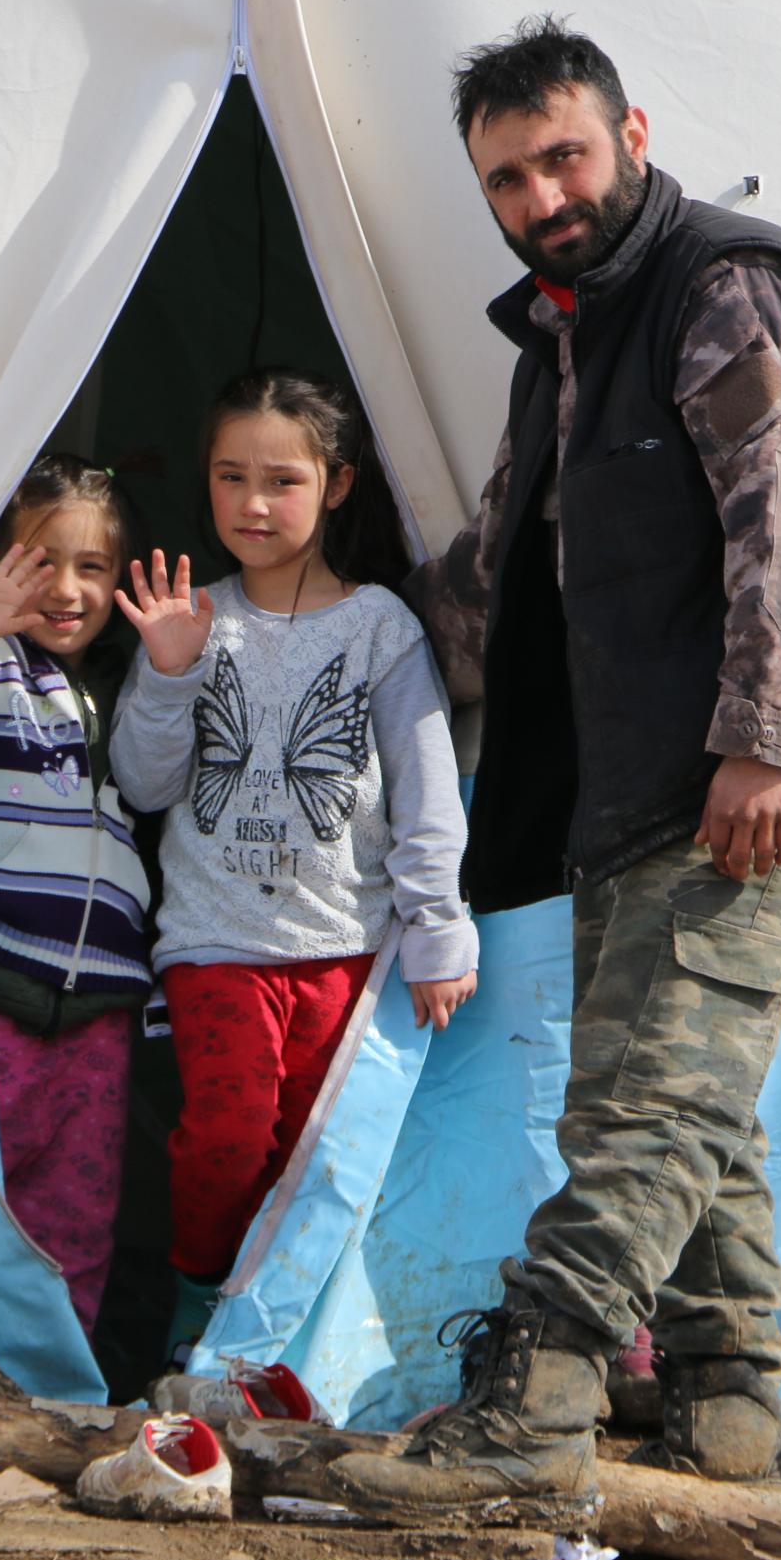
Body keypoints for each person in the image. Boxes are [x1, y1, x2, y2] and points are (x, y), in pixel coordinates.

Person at [331, 18, 781, 1523]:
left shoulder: (722, 288)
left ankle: (536, 1402)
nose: (542, 197)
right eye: (508, 179)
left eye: (562, 157)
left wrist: (763, 743)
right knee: (686, 1098)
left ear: (631, 137)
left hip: (753, 773)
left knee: (648, 1110)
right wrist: (328, 620)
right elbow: (500, 579)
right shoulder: (565, 345)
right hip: (638, 786)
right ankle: (727, 1393)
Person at [110, 369, 480, 1362]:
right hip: (217, 941)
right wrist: (171, 670)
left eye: (283, 480)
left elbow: (424, 790)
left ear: (338, 484)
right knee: (227, 1135)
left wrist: (437, 925)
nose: (255, 503)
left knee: (313, 1158)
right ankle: (198, 1302)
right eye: (231, 477)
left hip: (344, 947)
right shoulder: (193, 617)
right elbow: (142, 783)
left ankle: (267, 1346)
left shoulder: (380, 628)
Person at [0, 455, 152, 1338]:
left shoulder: (127, 689)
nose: (67, 589)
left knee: (75, 1219)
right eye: (42, 561)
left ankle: (49, 1383)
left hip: (100, 1011)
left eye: (92, 566)